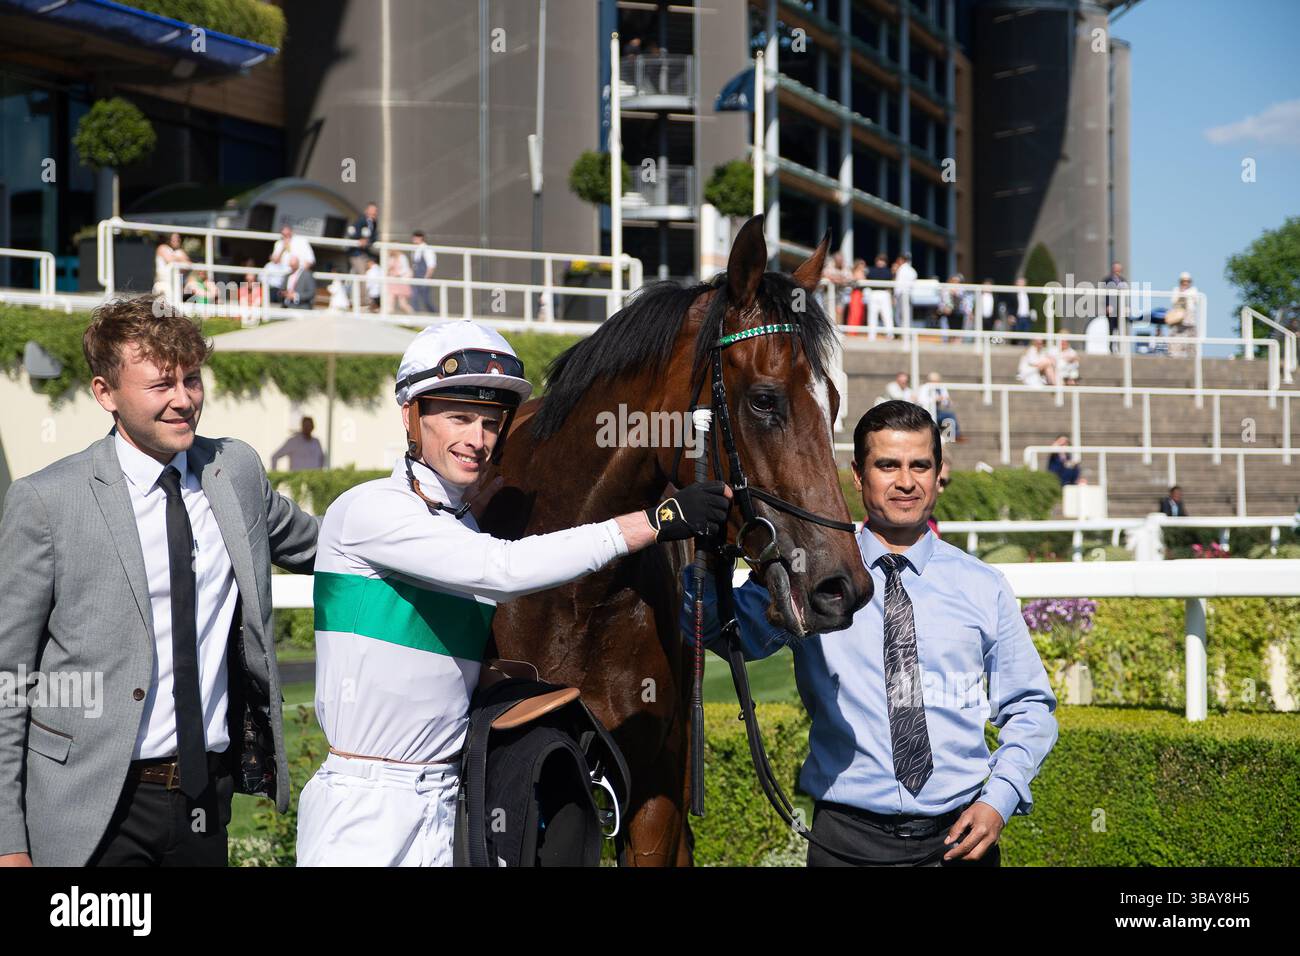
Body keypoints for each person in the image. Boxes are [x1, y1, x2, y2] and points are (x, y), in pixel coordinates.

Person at [295, 320, 732, 866]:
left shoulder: (463, 528)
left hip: (451, 800)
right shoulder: (367, 510)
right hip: (365, 805)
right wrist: (655, 521)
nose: (477, 440)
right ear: (411, 416)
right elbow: (504, 570)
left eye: (489, 422)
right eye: (457, 417)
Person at [0, 294, 320, 867]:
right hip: (89, 809)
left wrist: (441, 516)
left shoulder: (236, 470)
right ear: (106, 394)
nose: (184, 401)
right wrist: (8, 843)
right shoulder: (46, 501)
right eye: (160, 385)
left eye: (192, 380)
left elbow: (325, 545)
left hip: (204, 798)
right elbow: (8, 679)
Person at [681, 400, 1057, 866]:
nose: (906, 481)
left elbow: (1030, 706)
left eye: (920, 465)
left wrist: (999, 797)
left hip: (961, 840)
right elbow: (725, 633)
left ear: (939, 474)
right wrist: (703, 545)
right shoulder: (812, 577)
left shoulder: (984, 586)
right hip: (846, 843)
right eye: (888, 465)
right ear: (858, 475)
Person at [917, 371, 961, 442]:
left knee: (950, 415)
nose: (936, 383)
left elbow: (946, 404)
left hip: (937, 412)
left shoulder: (941, 388)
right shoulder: (924, 388)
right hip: (926, 412)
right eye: (934, 381)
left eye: (937, 381)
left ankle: (954, 435)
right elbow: (921, 401)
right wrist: (934, 399)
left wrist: (948, 401)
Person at [1166, 271, 1199, 358]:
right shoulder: (1176, 290)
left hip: (1190, 320)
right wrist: (1181, 293)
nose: (1185, 283)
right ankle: (1175, 357)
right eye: (1183, 281)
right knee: (1176, 341)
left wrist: (1184, 294)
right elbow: (1173, 301)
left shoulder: (1193, 290)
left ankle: (1192, 359)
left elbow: (1196, 300)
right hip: (1178, 320)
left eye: (1187, 281)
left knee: (1191, 342)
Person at [866, 254, 895, 340]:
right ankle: (889, 334)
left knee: (876, 315)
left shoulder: (871, 270)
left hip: (876, 293)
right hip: (882, 294)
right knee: (885, 315)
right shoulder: (888, 271)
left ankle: (872, 336)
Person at [347, 202, 381, 275]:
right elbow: (353, 233)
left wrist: (368, 240)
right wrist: (360, 239)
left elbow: (374, 236)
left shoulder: (374, 223)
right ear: (366, 211)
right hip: (356, 253)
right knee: (362, 274)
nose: (374, 213)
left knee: (374, 270)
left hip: (365, 253)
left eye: (375, 211)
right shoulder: (361, 220)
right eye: (372, 210)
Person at [1101, 261, 1128, 351]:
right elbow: (1104, 295)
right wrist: (1107, 306)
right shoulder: (1107, 280)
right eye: (1115, 268)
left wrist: (1126, 307)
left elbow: (1126, 296)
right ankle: (1111, 348)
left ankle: (1121, 348)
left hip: (1120, 309)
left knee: (1121, 328)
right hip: (1111, 309)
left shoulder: (1123, 281)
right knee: (1111, 328)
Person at [409, 231, 438, 314]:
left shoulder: (427, 249)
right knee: (414, 297)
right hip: (416, 277)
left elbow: (431, 265)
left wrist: (426, 278)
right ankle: (415, 316)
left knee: (426, 300)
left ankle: (435, 314)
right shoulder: (414, 250)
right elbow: (414, 264)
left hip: (424, 277)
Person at [386, 249, 413, 314]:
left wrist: (398, 274)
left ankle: (412, 315)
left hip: (401, 281)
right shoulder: (391, 258)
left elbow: (406, 269)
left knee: (402, 304)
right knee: (390, 302)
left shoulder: (402, 257)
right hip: (393, 281)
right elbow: (388, 269)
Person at [894, 252, 917, 329]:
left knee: (899, 315)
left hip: (901, 294)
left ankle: (904, 333)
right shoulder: (912, 270)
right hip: (908, 294)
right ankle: (907, 333)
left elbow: (898, 285)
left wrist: (895, 296)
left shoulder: (901, 269)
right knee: (908, 315)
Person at [846, 258, 866, 327]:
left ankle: (856, 329)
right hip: (855, 293)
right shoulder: (856, 272)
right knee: (855, 312)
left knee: (859, 312)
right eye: (862, 264)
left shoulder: (861, 272)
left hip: (860, 294)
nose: (863, 266)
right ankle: (853, 330)